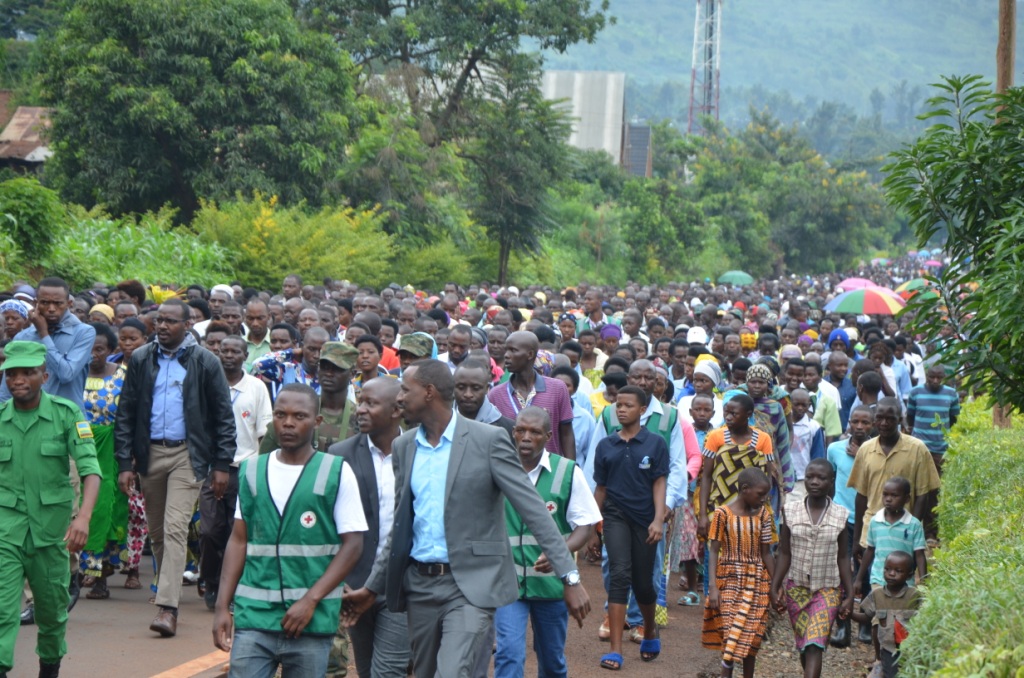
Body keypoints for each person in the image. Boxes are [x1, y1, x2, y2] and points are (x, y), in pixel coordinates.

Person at [341, 360, 590, 678]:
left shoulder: (488, 440)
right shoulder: (405, 446)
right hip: (419, 586)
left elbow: (534, 510)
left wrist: (569, 577)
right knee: (426, 672)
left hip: (471, 586)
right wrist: (373, 587)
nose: (399, 398)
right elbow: (401, 528)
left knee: (452, 672)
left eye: (405, 389)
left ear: (428, 392)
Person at [212, 384, 366, 678]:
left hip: (310, 620)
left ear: (316, 422)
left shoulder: (335, 471)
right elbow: (239, 540)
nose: (289, 423)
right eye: (281, 415)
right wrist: (222, 606)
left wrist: (310, 600)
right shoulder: (251, 471)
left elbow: (353, 544)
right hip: (254, 617)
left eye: (299, 416)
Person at [114, 298, 236, 637]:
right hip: (150, 454)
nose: (163, 327)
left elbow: (224, 417)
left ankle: (168, 608)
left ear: (187, 326)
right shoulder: (141, 358)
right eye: (159, 321)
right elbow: (126, 412)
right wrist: (125, 462)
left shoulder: (205, 362)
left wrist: (222, 464)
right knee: (158, 532)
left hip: (188, 455)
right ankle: (167, 586)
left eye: (171, 321)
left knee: (174, 528)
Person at [0, 341, 101, 678]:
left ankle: (49, 670)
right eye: (11, 373)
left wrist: (83, 517)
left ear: (44, 375)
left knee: (52, 613)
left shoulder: (67, 414)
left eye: (27, 372)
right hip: (6, 531)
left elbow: (90, 469)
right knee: (2, 609)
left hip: (52, 533)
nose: (18, 379)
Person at [495, 407, 601, 678]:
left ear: (548, 436)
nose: (526, 437)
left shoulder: (567, 471)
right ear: (513, 432)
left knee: (552, 661)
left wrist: (560, 552)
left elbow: (585, 525)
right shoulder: (498, 467)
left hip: (552, 584)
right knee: (507, 654)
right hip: (508, 585)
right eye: (520, 430)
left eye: (535, 432)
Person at [327, 379, 409, 678]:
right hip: (356, 584)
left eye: (370, 404)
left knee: (387, 671)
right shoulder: (340, 454)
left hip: (401, 584)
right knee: (366, 667)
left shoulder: (419, 450)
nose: (360, 409)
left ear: (396, 410)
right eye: (360, 402)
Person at [592, 386, 668, 670]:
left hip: (646, 519)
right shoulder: (606, 445)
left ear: (642, 410)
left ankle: (649, 629)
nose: (621, 409)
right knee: (619, 575)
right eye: (617, 405)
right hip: (614, 516)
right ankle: (615, 650)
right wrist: (591, 526)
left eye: (627, 405)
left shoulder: (655, 443)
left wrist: (658, 519)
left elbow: (659, 482)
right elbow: (600, 488)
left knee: (643, 583)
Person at [199, 336, 272, 610]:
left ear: (245, 356)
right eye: (224, 350)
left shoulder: (256, 388)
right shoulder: (207, 383)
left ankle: (232, 588)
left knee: (236, 531)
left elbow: (264, 432)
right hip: (210, 468)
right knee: (208, 531)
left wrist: (259, 471)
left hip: (244, 468)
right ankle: (210, 580)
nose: (229, 355)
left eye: (235, 351)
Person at [771, 459, 854, 678]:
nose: (815, 482)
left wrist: (850, 593)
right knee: (804, 645)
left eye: (821, 478)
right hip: (796, 588)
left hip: (828, 589)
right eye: (810, 477)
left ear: (831, 482)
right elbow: (785, 552)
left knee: (815, 644)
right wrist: (775, 585)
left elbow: (843, 556)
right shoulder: (790, 511)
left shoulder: (840, 515)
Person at [702, 467, 777, 678]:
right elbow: (714, 549)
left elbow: (766, 553)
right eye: (760, 494)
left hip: (756, 581)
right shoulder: (722, 514)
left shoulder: (764, 515)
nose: (764, 499)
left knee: (751, 635)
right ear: (745, 489)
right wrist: (713, 587)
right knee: (731, 632)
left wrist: (775, 585)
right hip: (728, 579)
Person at [847, 399, 940, 563]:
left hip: (902, 535)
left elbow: (923, 495)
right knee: (870, 582)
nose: (884, 423)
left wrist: (912, 532)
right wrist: (856, 540)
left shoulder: (917, 449)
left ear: (900, 419)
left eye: (890, 419)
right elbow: (861, 496)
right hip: (872, 531)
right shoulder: (866, 450)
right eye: (880, 418)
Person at [78, 324, 128, 601]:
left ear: (111, 351)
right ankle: (79, 569)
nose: (94, 355)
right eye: (89, 349)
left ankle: (102, 576)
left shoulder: (123, 376)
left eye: (100, 350)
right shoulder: (73, 375)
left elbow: (131, 417)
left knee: (107, 511)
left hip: (111, 451)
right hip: (77, 448)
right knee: (79, 506)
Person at [0, 278, 96, 411]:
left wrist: (43, 334)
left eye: (58, 303)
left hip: (67, 419)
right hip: (29, 420)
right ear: (36, 303)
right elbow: (6, 391)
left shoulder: (84, 333)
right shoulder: (23, 337)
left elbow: (66, 374)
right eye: (45, 303)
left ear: (69, 304)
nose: (51, 309)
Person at [488, 332, 576, 460]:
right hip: (510, 470)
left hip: (548, 471)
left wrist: (570, 470)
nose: (506, 355)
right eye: (506, 350)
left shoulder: (557, 389)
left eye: (513, 350)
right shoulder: (496, 394)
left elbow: (566, 434)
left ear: (530, 354)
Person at [851, 551, 922, 678]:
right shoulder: (877, 595)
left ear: (909, 574)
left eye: (898, 571)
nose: (891, 573)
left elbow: (925, 619)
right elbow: (867, 617)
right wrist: (850, 614)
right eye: (887, 569)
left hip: (910, 649)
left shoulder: (914, 595)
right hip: (888, 648)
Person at [854, 477, 927, 598]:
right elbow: (870, 551)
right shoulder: (875, 521)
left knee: (901, 614)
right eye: (885, 495)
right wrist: (858, 579)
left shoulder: (914, 524)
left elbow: (919, 555)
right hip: (879, 580)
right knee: (880, 612)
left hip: (905, 582)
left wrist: (924, 582)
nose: (888, 499)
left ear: (907, 499)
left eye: (894, 495)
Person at [827, 406, 873, 554]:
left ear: (873, 424)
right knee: (841, 558)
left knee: (863, 558)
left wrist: (860, 456)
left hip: (868, 516)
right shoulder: (834, 449)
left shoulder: (877, 451)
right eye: (855, 422)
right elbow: (831, 480)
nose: (859, 426)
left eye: (865, 422)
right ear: (849, 423)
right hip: (841, 514)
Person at [251, 326, 329, 401]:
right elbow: (257, 364)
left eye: (322, 351)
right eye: (311, 349)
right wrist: (292, 352)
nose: (316, 355)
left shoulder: (331, 374)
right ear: (302, 346)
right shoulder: (288, 369)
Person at [454, 360, 515, 440]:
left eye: (475, 388)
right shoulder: (442, 425)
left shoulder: (507, 429)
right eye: (461, 388)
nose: (468, 394)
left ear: (487, 389)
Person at [789, 389, 826, 499]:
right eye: (796, 404)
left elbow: (818, 455)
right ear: (789, 403)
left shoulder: (813, 427)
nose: (800, 408)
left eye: (804, 405)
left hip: (803, 478)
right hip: (785, 477)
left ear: (809, 405)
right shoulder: (782, 423)